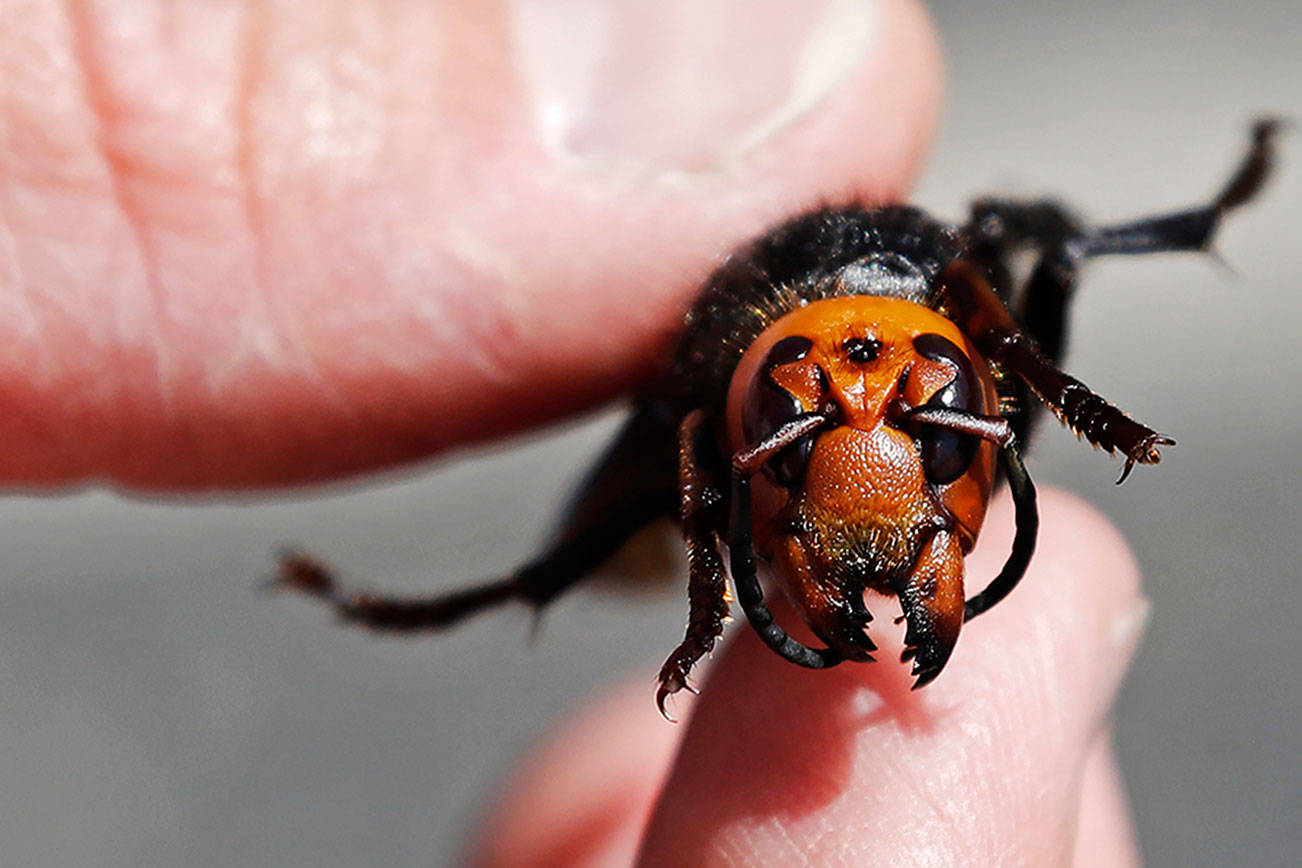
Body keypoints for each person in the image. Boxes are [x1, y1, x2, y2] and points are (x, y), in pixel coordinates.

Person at [1, 1, 1144, 863]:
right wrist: (709, 608)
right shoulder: (728, 417)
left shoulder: (961, 309)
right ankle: (488, 596)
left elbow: (1050, 249)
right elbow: (699, 448)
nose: (870, 447)